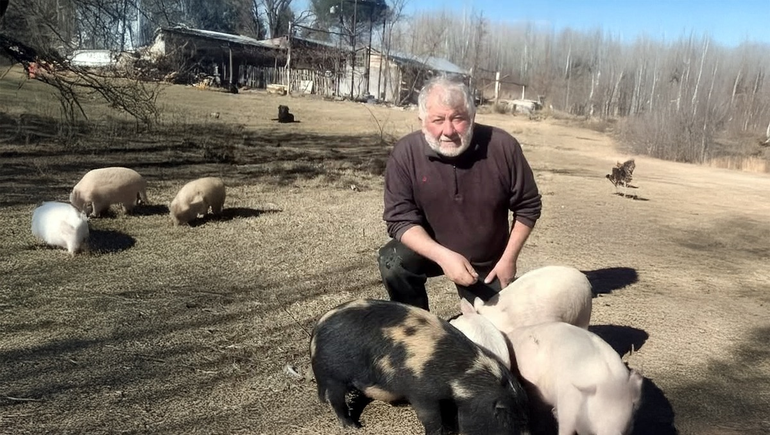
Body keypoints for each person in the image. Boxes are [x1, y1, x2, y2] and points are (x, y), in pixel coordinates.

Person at [378, 75, 542, 311]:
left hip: (487, 261)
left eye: (458, 119)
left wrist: (509, 260)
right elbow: (399, 218)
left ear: (473, 117)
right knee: (392, 261)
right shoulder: (406, 153)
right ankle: (419, 327)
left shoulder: (503, 147)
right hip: (430, 246)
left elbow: (528, 206)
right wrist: (443, 256)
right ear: (422, 121)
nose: (448, 131)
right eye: (437, 120)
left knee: (495, 333)